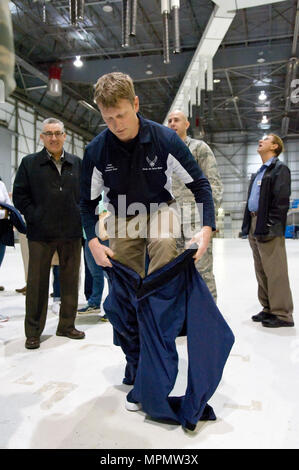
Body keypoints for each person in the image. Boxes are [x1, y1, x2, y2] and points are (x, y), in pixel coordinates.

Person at [80, 72, 216, 404]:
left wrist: (207, 227)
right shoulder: (97, 150)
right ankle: (135, 358)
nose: (116, 124)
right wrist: (93, 242)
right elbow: (85, 202)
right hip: (123, 215)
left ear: (136, 104)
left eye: (122, 115)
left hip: (160, 210)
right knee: (126, 289)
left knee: (164, 260)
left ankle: (159, 353)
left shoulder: (165, 140)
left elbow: (201, 186)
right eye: (108, 118)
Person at [13, 118, 85, 349]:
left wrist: (79, 214)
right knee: (37, 283)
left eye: (58, 133)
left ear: (65, 136)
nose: (53, 138)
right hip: (40, 234)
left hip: (72, 232)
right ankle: (33, 331)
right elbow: (20, 196)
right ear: (41, 137)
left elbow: (86, 195)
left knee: (71, 281)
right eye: (48, 133)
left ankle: (66, 325)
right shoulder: (30, 163)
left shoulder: (77, 163)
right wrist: (35, 216)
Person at [167, 110, 223, 302]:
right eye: (170, 121)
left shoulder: (199, 148)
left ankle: (209, 319)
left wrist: (208, 221)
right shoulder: (163, 153)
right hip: (171, 223)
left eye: (177, 120)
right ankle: (183, 318)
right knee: (175, 273)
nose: (172, 123)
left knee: (202, 271)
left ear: (187, 124)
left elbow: (213, 185)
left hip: (196, 222)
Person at [241, 134, 294, 328]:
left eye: (265, 139)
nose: (260, 141)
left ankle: (282, 314)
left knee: (275, 271)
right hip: (255, 223)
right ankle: (268, 308)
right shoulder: (259, 173)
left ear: (274, 146)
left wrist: (271, 225)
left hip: (268, 225)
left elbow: (281, 202)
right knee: (261, 270)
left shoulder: (280, 170)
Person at [0, 177, 12, 322]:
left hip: (1, 232)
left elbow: (9, 207)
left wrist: (4, 212)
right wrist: (4, 213)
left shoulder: (1, 184)